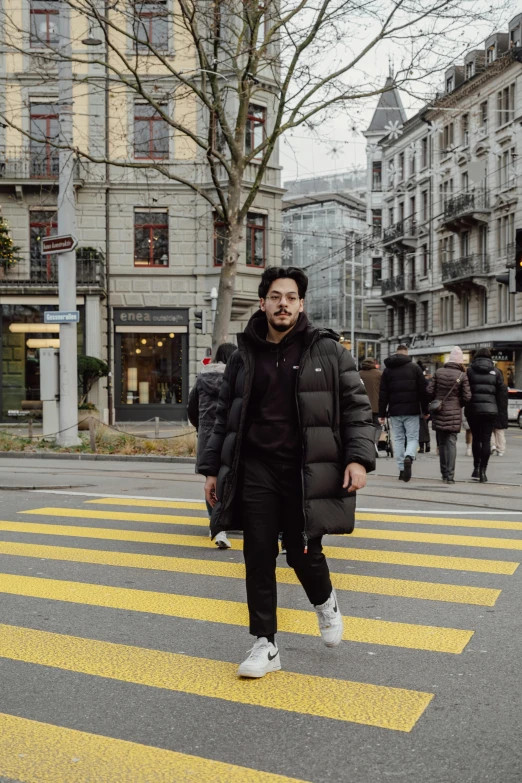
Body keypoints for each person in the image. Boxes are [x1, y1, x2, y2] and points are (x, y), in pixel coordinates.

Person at [199, 266, 375, 679]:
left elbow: (356, 408)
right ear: (263, 303)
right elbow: (222, 418)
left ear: (300, 304)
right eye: (275, 296)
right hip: (256, 468)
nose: (283, 303)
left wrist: (357, 458)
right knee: (257, 554)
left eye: (291, 297)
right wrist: (211, 470)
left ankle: (325, 601)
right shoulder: (244, 356)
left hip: (304, 470)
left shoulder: (327, 351)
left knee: (302, 552)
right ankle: (265, 643)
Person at [187, 342, 237, 548]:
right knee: (235, 478)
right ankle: (233, 518)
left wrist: (202, 427)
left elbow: (191, 408)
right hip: (232, 436)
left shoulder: (202, 378)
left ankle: (217, 527)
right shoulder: (237, 379)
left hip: (208, 436)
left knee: (211, 481)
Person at [378, 345, 428, 482]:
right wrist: (426, 410)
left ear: (396, 353)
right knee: (412, 437)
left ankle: (401, 469)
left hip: (395, 411)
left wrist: (381, 413)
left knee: (398, 439)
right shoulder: (415, 368)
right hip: (412, 410)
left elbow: (383, 394)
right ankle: (409, 456)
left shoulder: (387, 371)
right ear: (407, 354)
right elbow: (423, 392)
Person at [427, 346, 471, 484]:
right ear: (459, 362)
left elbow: (429, 391)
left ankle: (444, 473)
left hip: (439, 411)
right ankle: (450, 476)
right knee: (451, 443)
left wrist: (437, 399)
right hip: (454, 412)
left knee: (441, 443)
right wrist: (458, 403)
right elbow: (467, 396)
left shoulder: (439, 372)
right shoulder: (462, 375)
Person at [465, 348, 508, 483]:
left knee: (476, 439)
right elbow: (502, 394)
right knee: (486, 440)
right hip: (491, 410)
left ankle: (476, 469)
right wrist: (501, 412)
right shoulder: (496, 372)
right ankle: (483, 471)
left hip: (473, 410)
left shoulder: (469, 371)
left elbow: (465, 391)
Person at [359, 357, 382, 455]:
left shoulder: (358, 374)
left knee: (364, 427)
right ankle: (374, 444)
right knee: (377, 426)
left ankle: (366, 446)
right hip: (376, 406)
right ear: (374, 363)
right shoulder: (379, 374)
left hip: (361, 406)